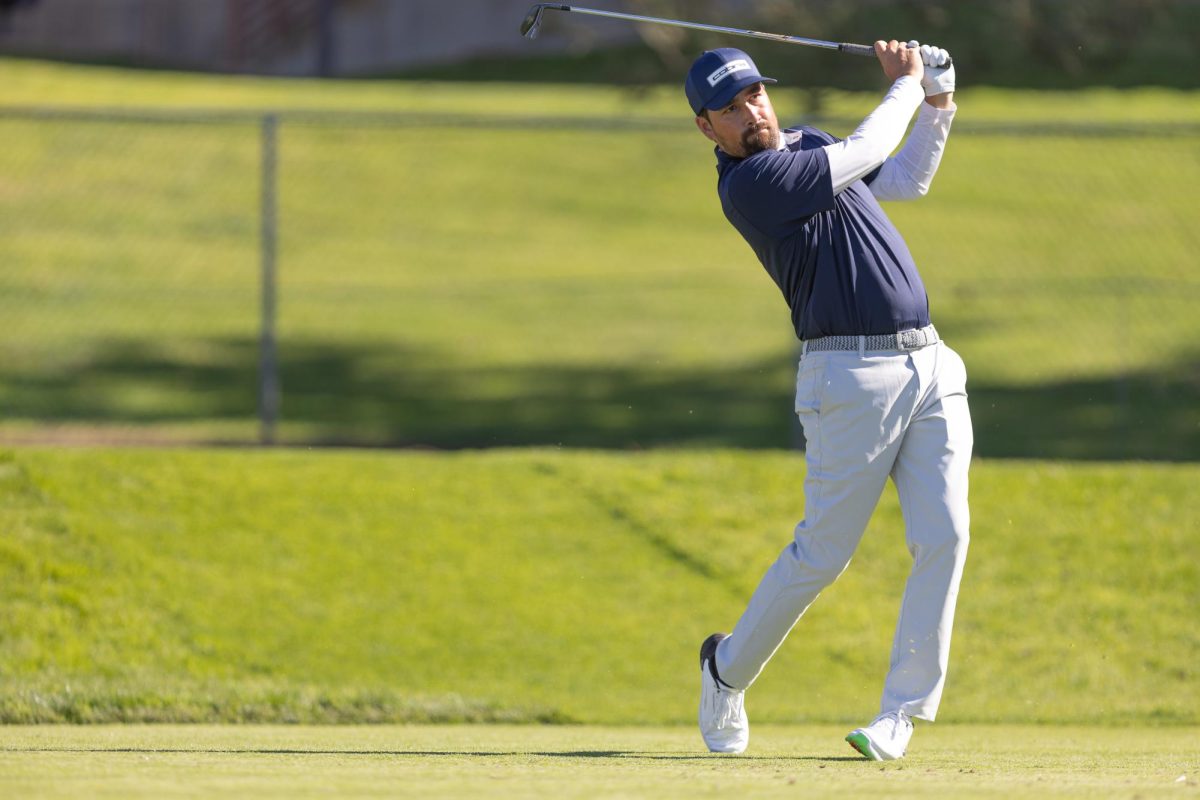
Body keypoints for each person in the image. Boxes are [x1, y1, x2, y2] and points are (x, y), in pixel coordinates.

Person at [686, 41, 971, 761]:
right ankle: (725, 671)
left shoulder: (810, 143)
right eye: (729, 107)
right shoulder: (754, 183)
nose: (750, 111)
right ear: (707, 129)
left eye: (754, 94)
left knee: (945, 536)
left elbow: (905, 176)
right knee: (822, 554)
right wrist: (907, 83)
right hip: (849, 379)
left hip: (932, 363)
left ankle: (899, 717)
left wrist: (939, 101)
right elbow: (874, 140)